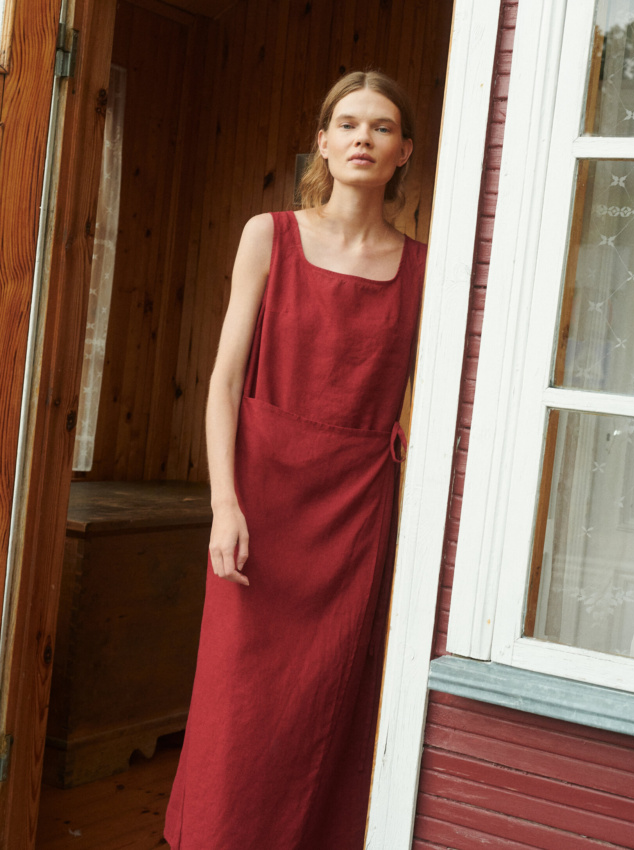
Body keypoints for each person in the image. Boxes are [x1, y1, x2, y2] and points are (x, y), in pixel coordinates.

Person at [164, 70, 427, 850]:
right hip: (260, 507)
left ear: (404, 150)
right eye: (347, 124)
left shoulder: (423, 269)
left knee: (327, 709)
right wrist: (224, 504)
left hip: (354, 516)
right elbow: (222, 383)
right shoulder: (267, 234)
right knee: (237, 705)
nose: (362, 139)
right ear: (322, 140)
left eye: (382, 128)